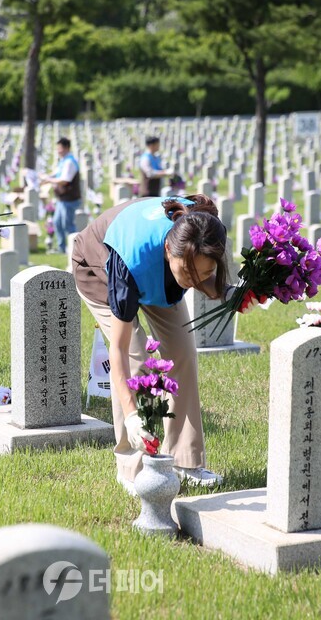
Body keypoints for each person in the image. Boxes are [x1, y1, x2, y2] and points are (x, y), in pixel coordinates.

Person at [70, 194, 260, 494]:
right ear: (169, 250)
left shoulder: (202, 231)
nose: (194, 281)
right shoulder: (132, 261)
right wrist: (132, 416)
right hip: (99, 268)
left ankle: (185, 461)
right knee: (136, 358)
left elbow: (199, 276)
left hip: (158, 271)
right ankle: (131, 468)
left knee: (182, 352)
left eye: (203, 272)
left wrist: (228, 293)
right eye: (188, 272)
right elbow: (119, 351)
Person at [40, 137, 81, 253]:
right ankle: (61, 248)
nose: (58, 151)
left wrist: (48, 180)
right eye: (57, 148)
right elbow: (56, 174)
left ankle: (76, 250)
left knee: (68, 225)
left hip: (69, 199)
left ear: (67, 148)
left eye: (60, 148)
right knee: (57, 223)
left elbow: (64, 180)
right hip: (62, 199)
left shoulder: (69, 162)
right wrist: (45, 177)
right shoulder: (63, 161)